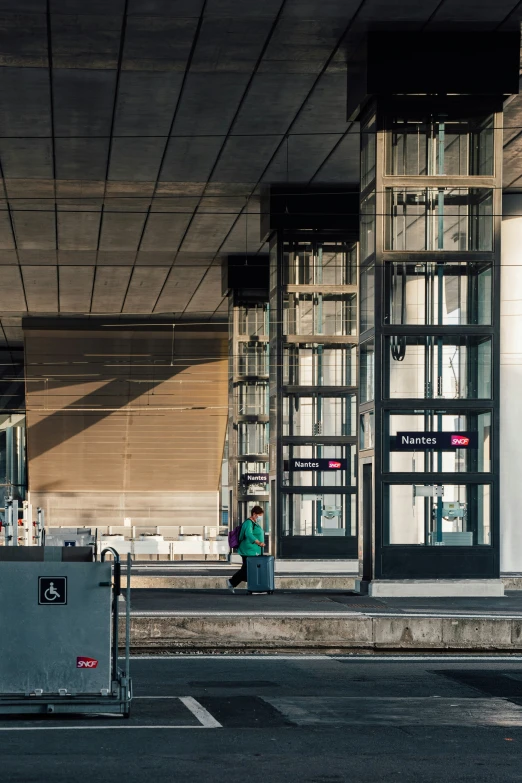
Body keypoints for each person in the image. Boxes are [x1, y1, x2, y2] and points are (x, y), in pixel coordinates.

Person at [227, 506, 265, 592]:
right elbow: (248, 534)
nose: (260, 517)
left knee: (247, 569)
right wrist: (258, 542)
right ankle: (232, 582)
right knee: (246, 569)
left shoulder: (254, 523)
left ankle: (249, 585)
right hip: (248, 550)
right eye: (259, 515)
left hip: (252, 550)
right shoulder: (248, 523)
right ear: (254, 514)